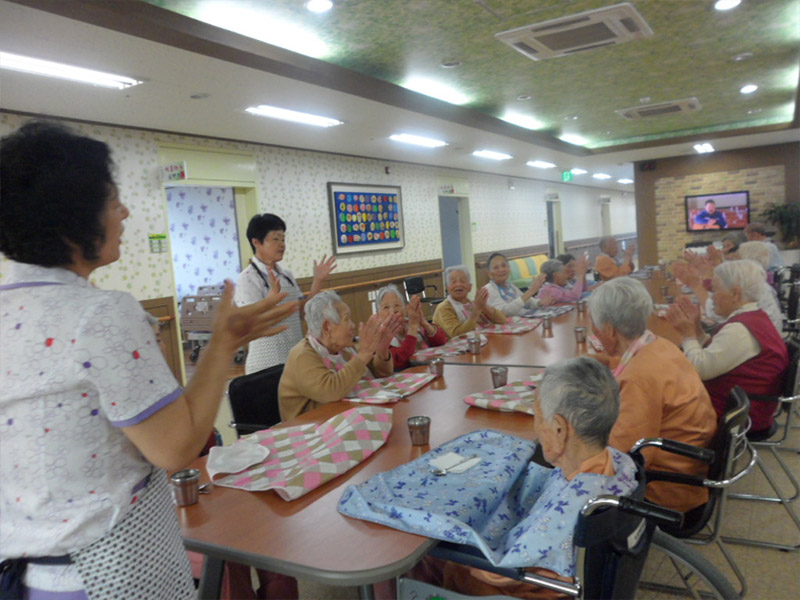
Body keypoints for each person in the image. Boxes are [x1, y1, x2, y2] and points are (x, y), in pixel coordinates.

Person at [0, 121, 298, 599]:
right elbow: (178, 446)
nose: (126, 212)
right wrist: (222, 346)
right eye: (113, 200)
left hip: (29, 576)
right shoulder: (99, 314)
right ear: (71, 216)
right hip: (110, 573)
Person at [410, 357, 638, 599]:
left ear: (560, 430)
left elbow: (499, 573)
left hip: (517, 589)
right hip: (576, 571)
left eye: (538, 417)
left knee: (425, 555)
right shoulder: (615, 464)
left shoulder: (570, 510)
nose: (537, 428)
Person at [590, 277, 717, 513]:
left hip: (667, 491)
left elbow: (624, 457)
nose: (594, 333)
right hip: (690, 467)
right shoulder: (660, 345)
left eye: (595, 327)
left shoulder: (638, 378)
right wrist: (602, 362)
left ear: (608, 328)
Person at [667, 260, 789, 435]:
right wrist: (697, 330)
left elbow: (699, 369)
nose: (712, 296)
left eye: (715, 290)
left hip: (739, 416)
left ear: (735, 294)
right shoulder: (754, 317)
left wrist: (688, 335)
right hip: (749, 407)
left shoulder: (741, 330)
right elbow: (719, 353)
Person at [235, 213, 337, 374]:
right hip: (265, 364)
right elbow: (251, 323)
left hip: (294, 357)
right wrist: (272, 298)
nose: (282, 244)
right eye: (275, 239)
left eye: (283, 239)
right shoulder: (247, 278)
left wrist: (318, 281)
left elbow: (304, 312)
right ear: (256, 242)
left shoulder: (286, 274)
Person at [278, 290, 400, 421]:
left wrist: (382, 349)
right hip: (311, 429)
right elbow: (331, 391)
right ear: (327, 328)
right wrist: (364, 353)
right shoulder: (302, 356)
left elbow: (380, 374)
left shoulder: (343, 348)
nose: (353, 325)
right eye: (346, 319)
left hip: (346, 417)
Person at [375, 284, 447, 371]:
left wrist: (424, 323)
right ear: (378, 315)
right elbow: (401, 361)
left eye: (397, 305)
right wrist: (413, 328)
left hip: (430, 369)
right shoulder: (380, 335)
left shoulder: (411, 321)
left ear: (405, 308)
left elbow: (441, 341)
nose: (393, 311)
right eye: (386, 307)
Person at [433, 265, 506, 338]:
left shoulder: (473, 303)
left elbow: (502, 320)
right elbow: (457, 334)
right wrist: (476, 311)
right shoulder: (443, 308)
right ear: (447, 288)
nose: (458, 284)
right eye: (453, 282)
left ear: (470, 287)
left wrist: (484, 306)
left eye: (462, 281)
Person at [482, 252, 554, 316]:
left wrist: (540, 302)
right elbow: (505, 312)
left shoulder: (510, 286)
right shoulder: (488, 290)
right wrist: (531, 291)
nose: (501, 270)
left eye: (504, 265)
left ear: (509, 268)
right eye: (496, 267)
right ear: (489, 273)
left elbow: (528, 302)